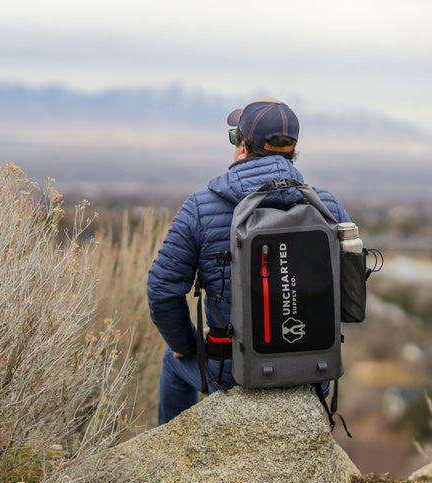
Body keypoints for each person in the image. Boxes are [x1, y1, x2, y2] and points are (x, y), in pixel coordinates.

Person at [147, 97, 351, 425]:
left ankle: (174, 454)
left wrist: (186, 345)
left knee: (174, 362)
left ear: (242, 147)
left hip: (232, 371)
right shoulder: (326, 205)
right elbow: (352, 289)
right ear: (292, 150)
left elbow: (161, 290)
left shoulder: (201, 207)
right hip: (314, 370)